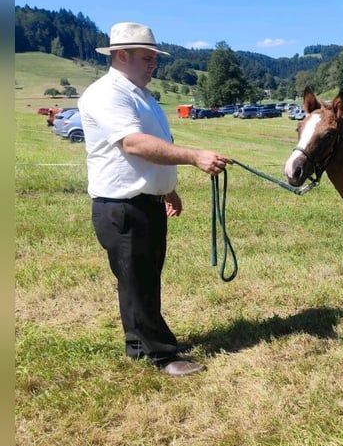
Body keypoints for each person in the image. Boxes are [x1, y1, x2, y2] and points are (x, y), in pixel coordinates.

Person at [78, 22, 232, 377]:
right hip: (122, 206)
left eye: (154, 59)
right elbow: (133, 144)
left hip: (143, 202)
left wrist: (166, 189)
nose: (153, 65)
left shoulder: (140, 95)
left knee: (142, 278)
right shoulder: (107, 94)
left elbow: (146, 149)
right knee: (137, 279)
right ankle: (163, 355)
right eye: (146, 58)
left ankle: (139, 345)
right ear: (121, 56)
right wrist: (194, 156)